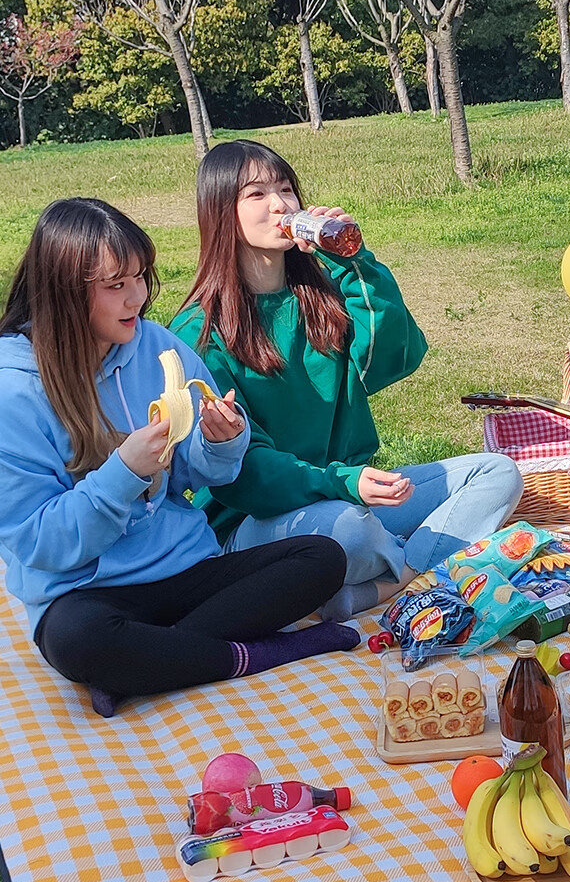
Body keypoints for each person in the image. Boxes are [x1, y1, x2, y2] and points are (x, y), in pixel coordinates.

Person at [0, 198, 357, 718]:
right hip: (87, 591)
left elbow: (198, 473)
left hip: (186, 569)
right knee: (79, 640)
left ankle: (149, 663)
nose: (137, 298)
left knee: (322, 558)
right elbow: (38, 543)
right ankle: (255, 653)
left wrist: (220, 442)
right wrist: (123, 472)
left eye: (140, 278)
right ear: (63, 294)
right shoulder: (13, 395)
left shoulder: (155, 345)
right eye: (115, 285)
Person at [171, 140, 524, 622]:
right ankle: (416, 564)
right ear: (220, 213)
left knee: (497, 473)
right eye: (256, 194)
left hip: (350, 495)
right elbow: (245, 474)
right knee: (350, 532)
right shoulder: (197, 334)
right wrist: (344, 482)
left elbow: (395, 354)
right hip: (257, 525)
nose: (280, 204)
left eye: (286, 189)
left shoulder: (318, 298)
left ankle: (387, 583)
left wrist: (354, 261)